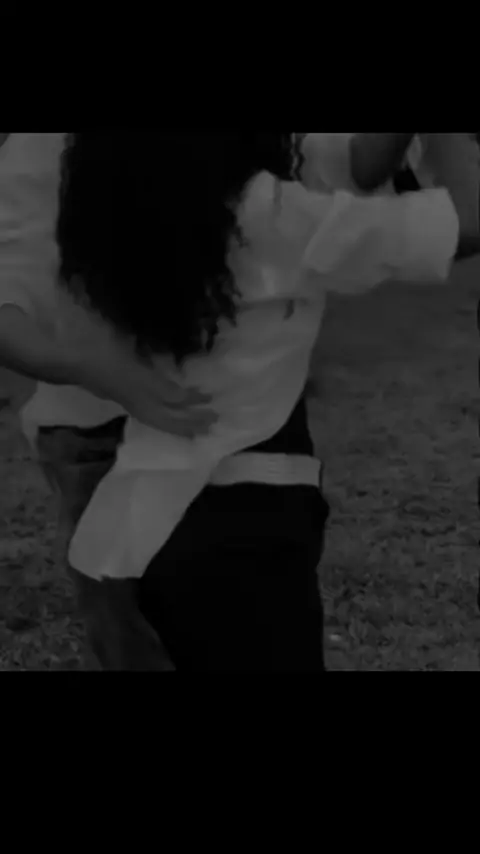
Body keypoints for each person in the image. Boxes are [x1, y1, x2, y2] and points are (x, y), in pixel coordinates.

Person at [48, 131, 478, 672]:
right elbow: (468, 222)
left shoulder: (118, 208)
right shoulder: (264, 214)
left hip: (147, 521)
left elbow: (349, 165)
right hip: (247, 531)